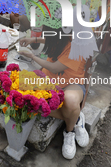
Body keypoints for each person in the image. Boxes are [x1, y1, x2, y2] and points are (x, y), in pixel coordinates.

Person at [18, 26, 89, 160]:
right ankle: (76, 117)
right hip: (49, 80)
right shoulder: (60, 34)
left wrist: (32, 56)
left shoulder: (78, 42)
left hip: (72, 83)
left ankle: (69, 131)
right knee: (27, 97)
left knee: (70, 101)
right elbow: (53, 39)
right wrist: (33, 38)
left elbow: (55, 68)